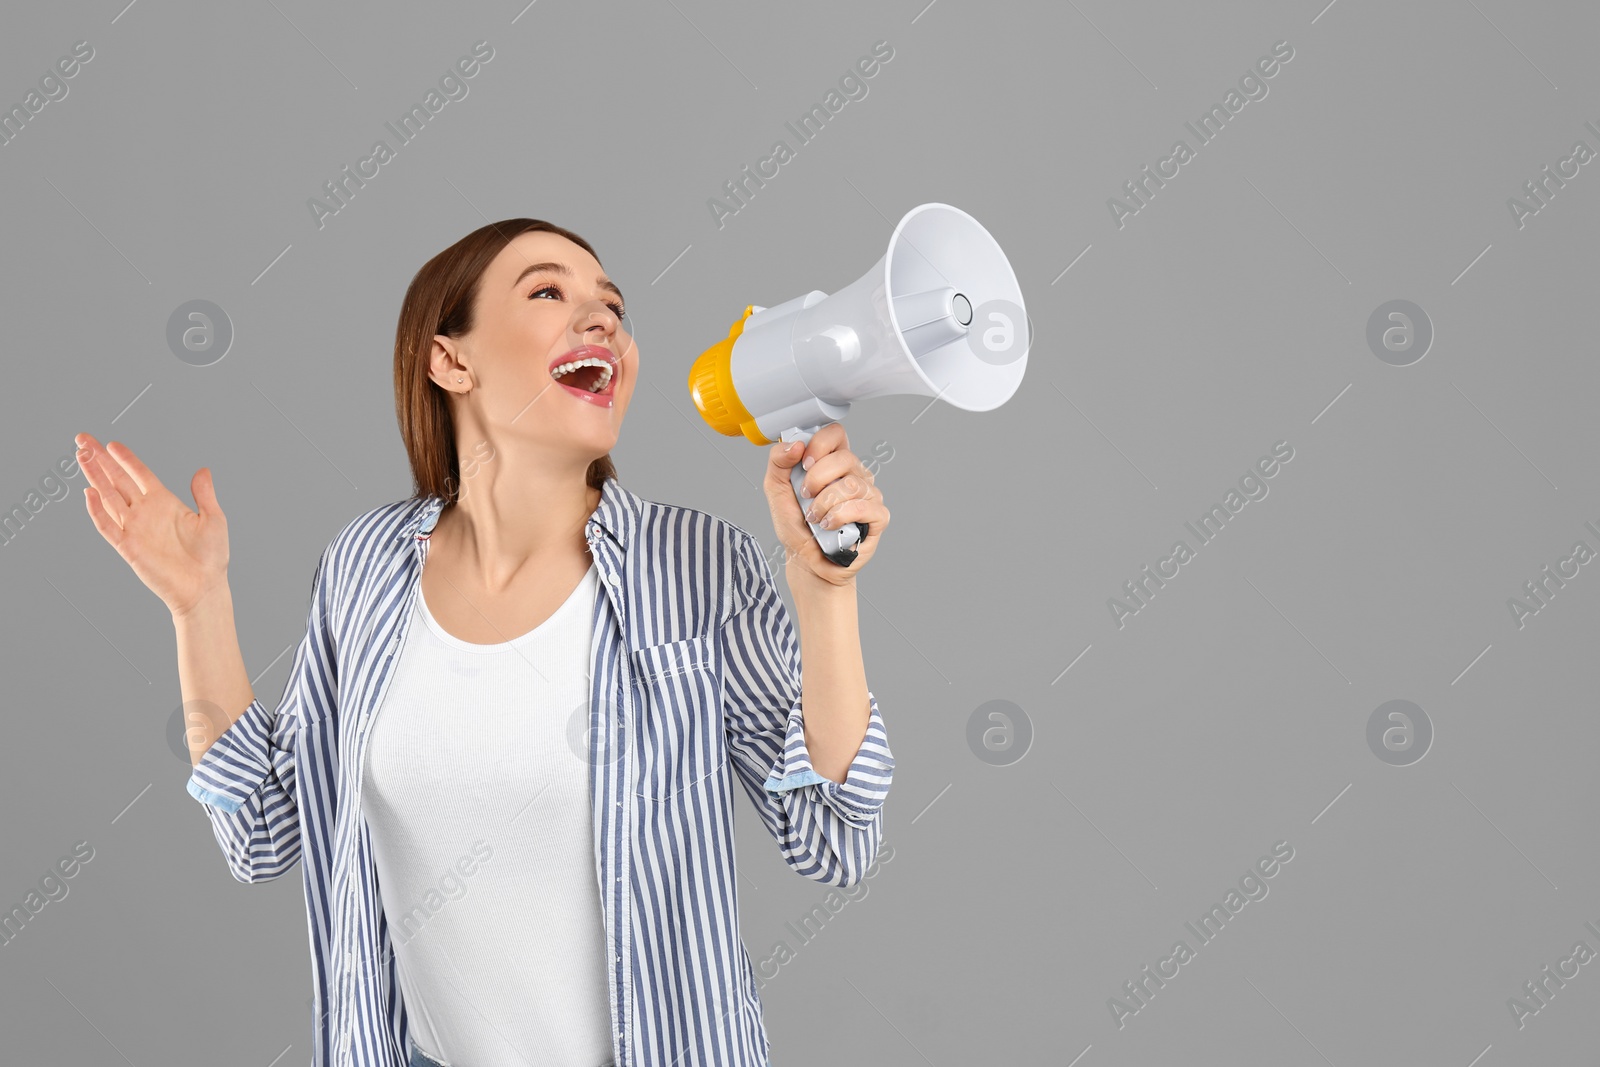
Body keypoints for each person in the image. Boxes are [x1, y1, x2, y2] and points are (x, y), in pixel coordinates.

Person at [73, 218, 895, 1067]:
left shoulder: (697, 566)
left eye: (612, 303)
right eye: (549, 292)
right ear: (450, 361)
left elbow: (833, 835)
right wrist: (198, 605)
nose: (602, 317)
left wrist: (826, 590)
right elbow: (264, 830)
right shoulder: (363, 568)